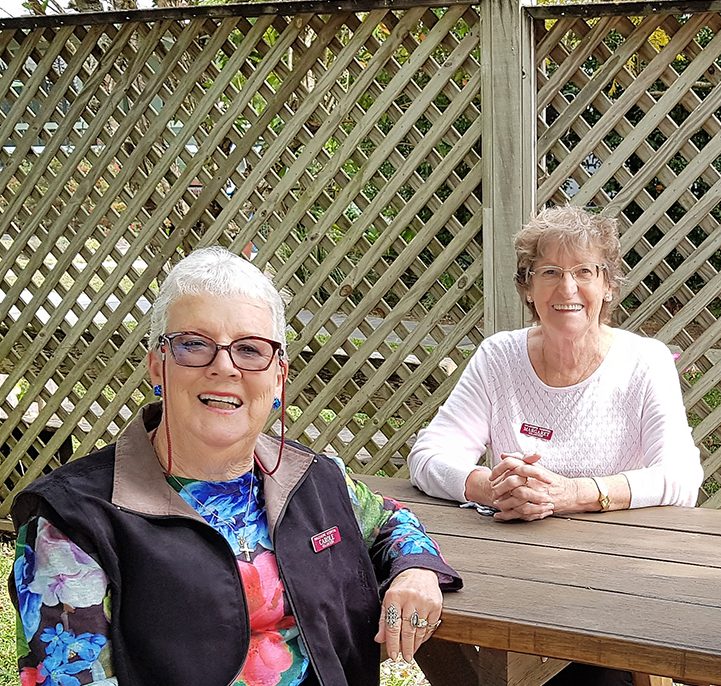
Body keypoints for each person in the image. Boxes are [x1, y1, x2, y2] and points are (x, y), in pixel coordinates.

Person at [8, 247, 462, 686]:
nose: (224, 367)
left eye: (249, 350)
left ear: (279, 375)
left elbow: (389, 521)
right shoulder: (72, 523)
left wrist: (415, 570)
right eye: (193, 344)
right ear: (156, 365)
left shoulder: (312, 478)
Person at [408, 204, 703, 685]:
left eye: (584, 271)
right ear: (527, 287)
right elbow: (427, 456)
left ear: (607, 284)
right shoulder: (499, 356)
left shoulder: (643, 362)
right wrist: (490, 486)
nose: (567, 289)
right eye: (549, 272)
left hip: (617, 591)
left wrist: (570, 495)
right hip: (511, 584)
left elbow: (681, 478)